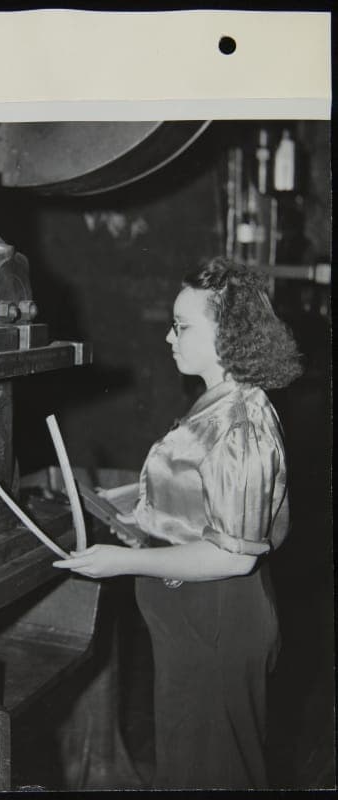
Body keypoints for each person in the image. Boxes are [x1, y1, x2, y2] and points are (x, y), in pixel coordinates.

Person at [53, 257, 303, 790]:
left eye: (183, 325)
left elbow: (233, 556)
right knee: (191, 770)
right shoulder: (214, 402)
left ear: (229, 334)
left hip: (216, 622)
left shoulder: (240, 426)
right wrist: (120, 500)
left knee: (215, 775)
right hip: (192, 621)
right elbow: (195, 492)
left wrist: (121, 561)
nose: (170, 336)